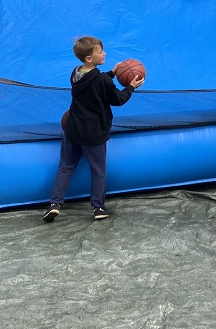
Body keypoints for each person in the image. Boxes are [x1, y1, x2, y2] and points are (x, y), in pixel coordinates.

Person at [42, 36, 144, 222]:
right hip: (93, 133)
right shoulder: (102, 81)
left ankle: (55, 204)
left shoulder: (75, 73)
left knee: (65, 167)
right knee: (98, 171)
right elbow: (118, 100)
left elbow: (95, 79)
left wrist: (112, 73)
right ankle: (98, 208)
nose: (104, 53)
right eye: (100, 51)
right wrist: (131, 87)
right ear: (89, 58)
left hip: (72, 130)